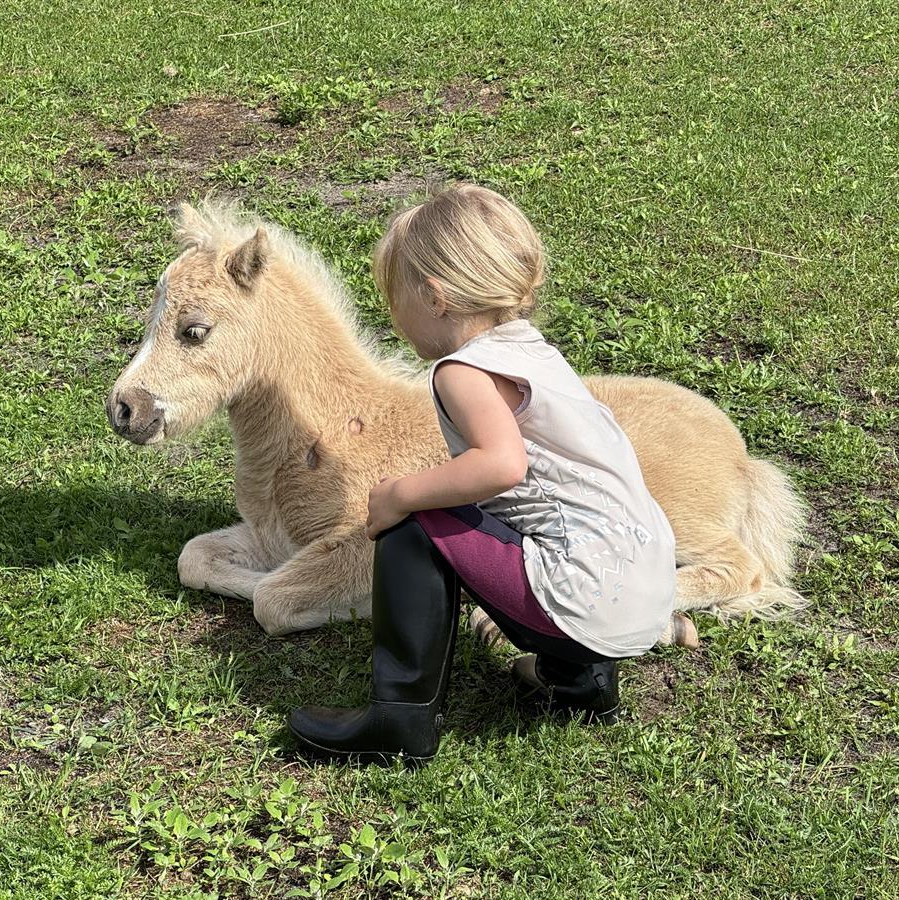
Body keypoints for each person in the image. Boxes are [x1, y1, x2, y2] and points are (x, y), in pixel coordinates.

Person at [287, 184, 677, 765]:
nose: (394, 317)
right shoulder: (533, 353)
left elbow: (501, 464)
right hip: (642, 594)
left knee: (417, 518)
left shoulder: (462, 371)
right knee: (543, 518)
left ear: (435, 297)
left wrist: (398, 493)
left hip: (581, 603)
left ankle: (400, 719)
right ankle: (581, 684)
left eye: (395, 297)